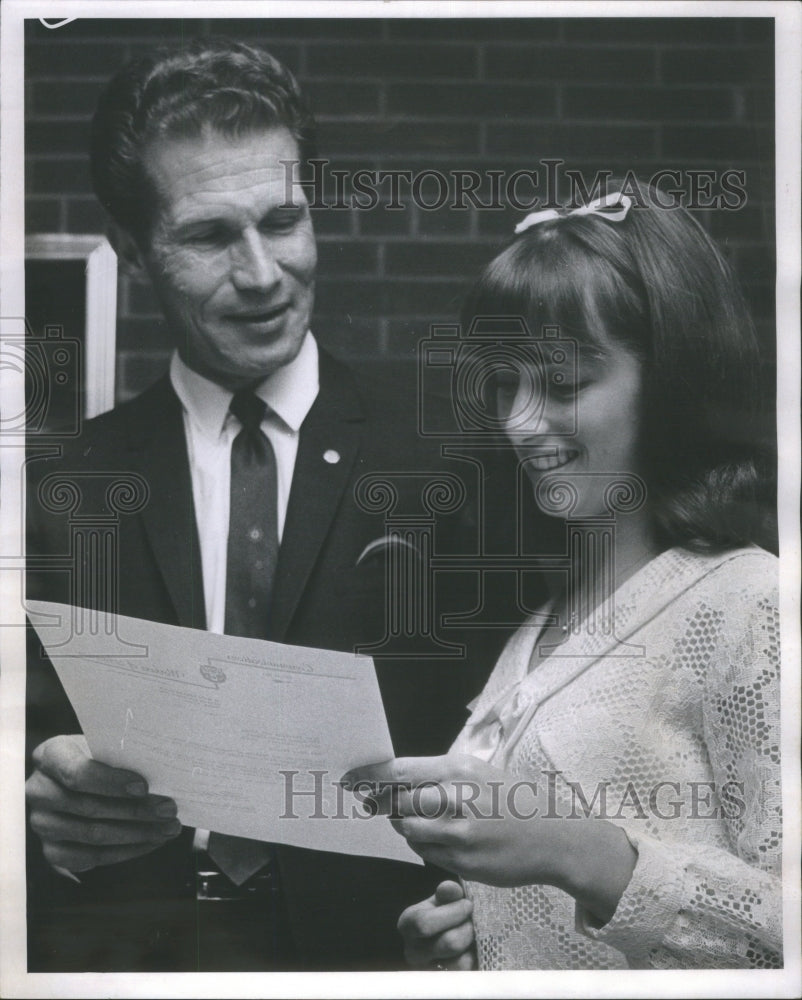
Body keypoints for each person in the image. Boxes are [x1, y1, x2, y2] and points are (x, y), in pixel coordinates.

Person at [24, 38, 509, 972]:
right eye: (209, 237)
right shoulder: (58, 485)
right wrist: (32, 794)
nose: (261, 274)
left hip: (382, 958)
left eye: (282, 221)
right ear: (131, 252)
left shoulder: (457, 456)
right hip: (128, 953)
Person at [345, 186, 782, 969]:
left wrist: (577, 852)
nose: (518, 420)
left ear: (673, 383)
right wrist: (478, 937)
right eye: (507, 383)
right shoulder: (535, 627)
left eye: (564, 383)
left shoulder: (751, 603)